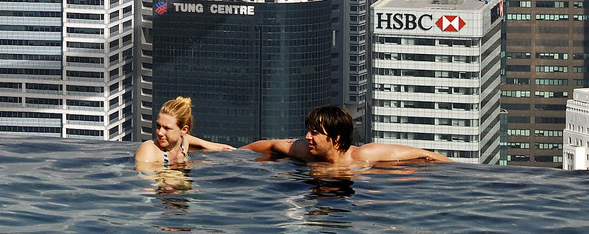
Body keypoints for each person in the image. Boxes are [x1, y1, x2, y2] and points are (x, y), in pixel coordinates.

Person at [245, 105, 450, 166]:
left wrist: (456, 169)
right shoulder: (302, 150)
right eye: (308, 131)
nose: (307, 136)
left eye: (315, 133)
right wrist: (233, 154)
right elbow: (270, 145)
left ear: (336, 138)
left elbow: (425, 154)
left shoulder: (364, 154)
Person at [135, 96, 235, 170]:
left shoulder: (183, 143)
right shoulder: (149, 150)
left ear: (183, 130)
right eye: (158, 126)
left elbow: (187, 138)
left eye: (167, 128)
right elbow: (145, 186)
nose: (160, 132)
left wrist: (209, 144)